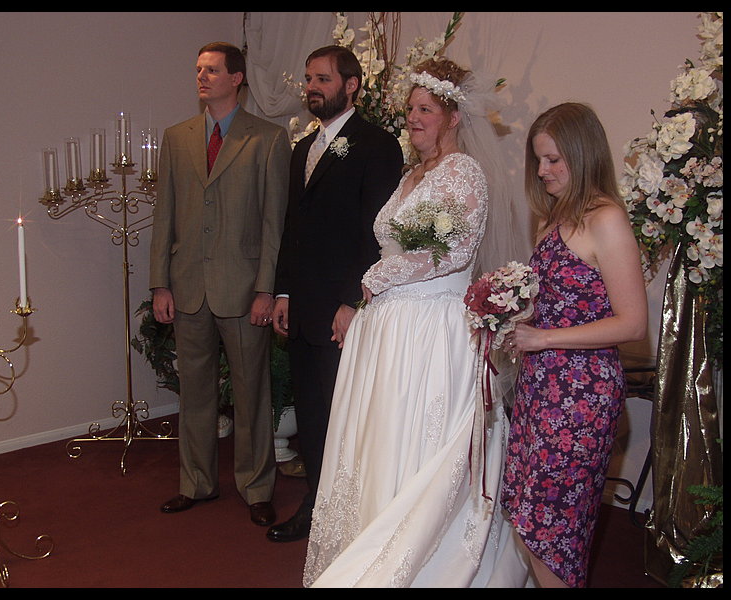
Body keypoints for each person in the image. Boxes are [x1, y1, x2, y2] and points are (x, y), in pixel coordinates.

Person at [302, 57, 531, 587]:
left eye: (426, 109)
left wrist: (376, 278)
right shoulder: (411, 175)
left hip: (432, 328)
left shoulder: (464, 172)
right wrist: (374, 291)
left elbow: (453, 251)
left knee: (422, 443)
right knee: (382, 440)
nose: (413, 117)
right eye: (410, 108)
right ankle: (372, 538)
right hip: (389, 329)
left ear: (453, 117)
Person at [501, 102, 648, 588]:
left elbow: (633, 323)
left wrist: (544, 338)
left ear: (583, 155)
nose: (542, 171)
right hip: (540, 388)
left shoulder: (606, 219)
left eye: (554, 160)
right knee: (530, 520)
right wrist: (507, 316)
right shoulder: (553, 217)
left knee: (553, 532)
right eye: (538, 159)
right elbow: (557, 303)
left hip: (581, 396)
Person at [149, 42, 291, 526]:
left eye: (212, 70)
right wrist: (160, 284)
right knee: (195, 393)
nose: (202, 77)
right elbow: (164, 215)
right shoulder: (177, 137)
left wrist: (266, 289)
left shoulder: (268, 139)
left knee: (252, 394)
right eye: (198, 69)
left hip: (244, 288)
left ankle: (256, 488)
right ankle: (196, 483)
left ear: (237, 78)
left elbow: (274, 224)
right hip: (187, 286)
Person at [266, 45, 404, 543]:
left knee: (345, 416)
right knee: (312, 414)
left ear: (351, 86)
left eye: (322, 79)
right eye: (308, 79)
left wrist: (353, 301)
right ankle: (317, 504)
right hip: (303, 307)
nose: (312, 87)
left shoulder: (377, 145)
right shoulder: (303, 148)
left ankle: (346, 514)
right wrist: (284, 292)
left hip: (344, 311)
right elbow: (292, 226)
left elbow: (376, 235)